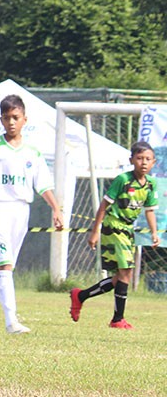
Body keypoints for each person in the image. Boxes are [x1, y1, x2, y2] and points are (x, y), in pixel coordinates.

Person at [0, 94, 64, 335]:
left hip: (21, 210)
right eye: (6, 118)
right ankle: (11, 321)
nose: (11, 122)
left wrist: (56, 208)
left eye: (15, 117)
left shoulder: (32, 152)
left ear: (25, 119)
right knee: (4, 264)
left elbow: (43, 185)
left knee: (7, 267)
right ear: (1, 120)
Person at [72, 141, 159, 329]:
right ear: (131, 160)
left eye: (148, 159)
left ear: (153, 162)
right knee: (126, 272)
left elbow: (150, 210)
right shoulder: (123, 180)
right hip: (113, 227)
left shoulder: (151, 184)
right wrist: (95, 231)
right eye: (139, 158)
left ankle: (81, 296)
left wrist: (154, 232)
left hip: (127, 230)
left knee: (120, 277)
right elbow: (104, 205)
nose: (143, 162)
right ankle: (117, 319)